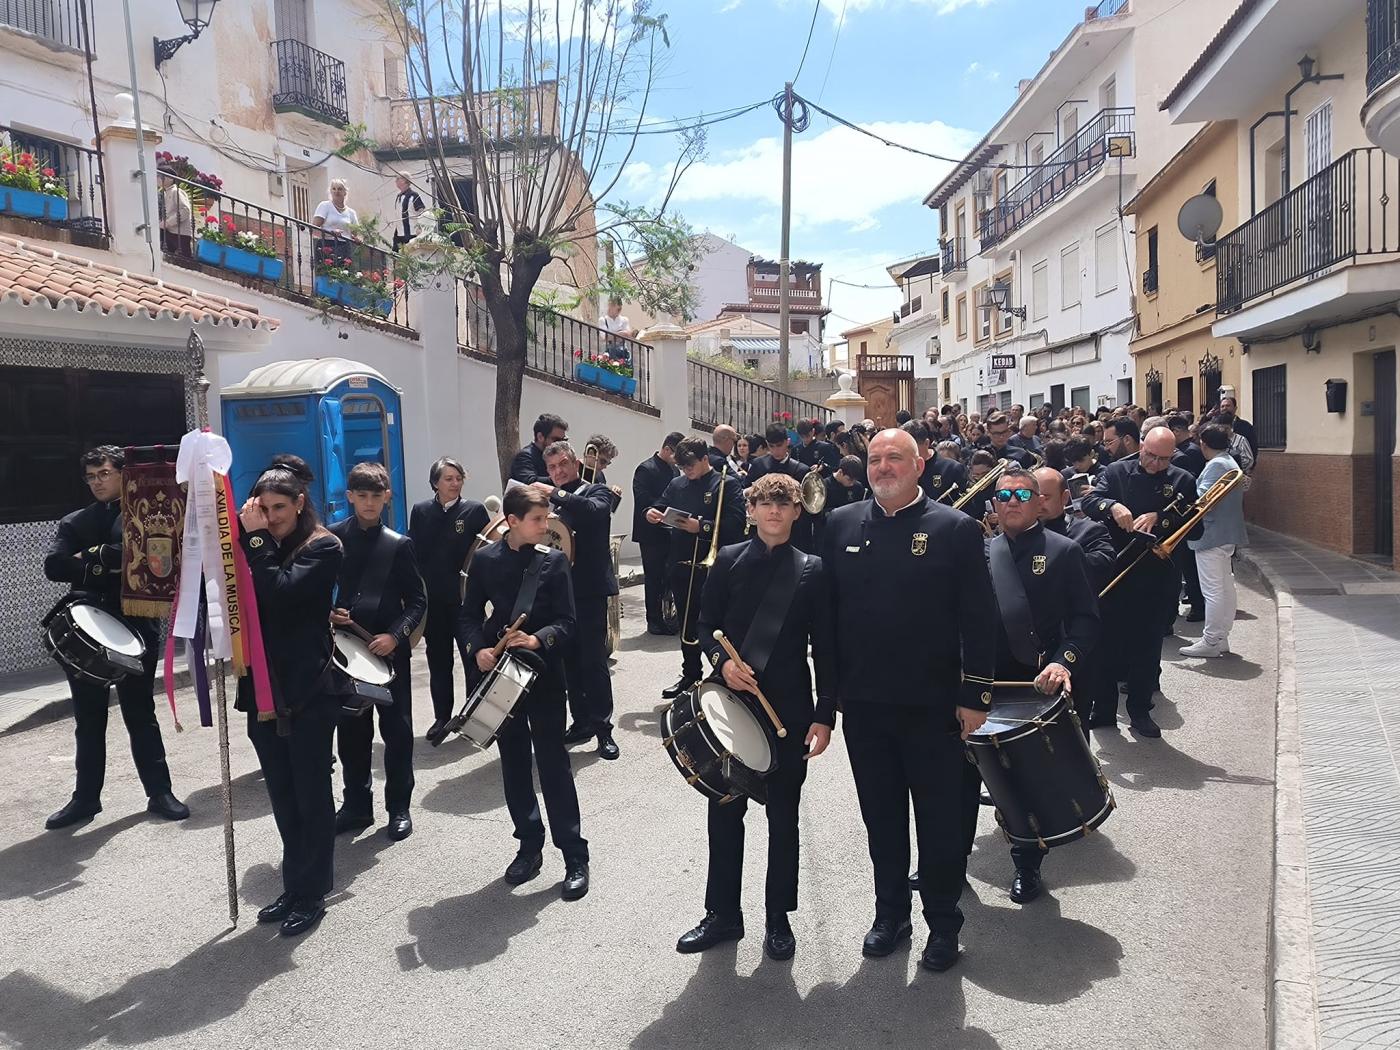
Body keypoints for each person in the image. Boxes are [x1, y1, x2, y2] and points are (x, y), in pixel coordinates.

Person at [821, 429, 997, 972]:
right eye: (874, 459)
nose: (882, 467)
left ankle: (943, 925)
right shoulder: (840, 523)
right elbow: (825, 623)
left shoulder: (956, 529)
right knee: (882, 819)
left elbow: (980, 619)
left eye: (894, 457)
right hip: (867, 708)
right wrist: (827, 703)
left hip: (935, 707)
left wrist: (976, 694)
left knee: (940, 822)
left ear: (920, 465)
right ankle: (890, 914)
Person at [677, 473, 837, 960]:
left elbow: (827, 647)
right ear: (750, 510)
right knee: (724, 811)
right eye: (763, 503)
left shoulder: (813, 569)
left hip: (788, 706)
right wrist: (721, 662)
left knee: (784, 817)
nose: (772, 511)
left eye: (782, 503)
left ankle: (778, 917)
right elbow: (704, 625)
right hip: (731, 703)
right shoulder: (726, 561)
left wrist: (825, 713)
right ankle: (723, 914)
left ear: (795, 511)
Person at [42, 446, 189, 831]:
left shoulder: (149, 516)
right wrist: (110, 558)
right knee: (88, 719)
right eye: (90, 476)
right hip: (87, 626)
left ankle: (160, 792)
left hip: (138, 624)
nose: (97, 482)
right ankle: (85, 800)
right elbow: (55, 566)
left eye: (104, 474)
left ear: (124, 474)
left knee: (140, 713)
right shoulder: (75, 521)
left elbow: (158, 556)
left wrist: (91, 558)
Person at [971, 467, 1098, 903]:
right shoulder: (981, 554)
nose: (1011, 501)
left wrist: (1065, 663)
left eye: (1021, 494)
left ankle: (1027, 864)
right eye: (1003, 494)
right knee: (961, 776)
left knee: (1023, 781)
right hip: (982, 682)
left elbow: (1084, 621)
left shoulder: (1063, 553)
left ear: (1039, 502)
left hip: (1033, 685)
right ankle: (948, 861)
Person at [458, 486, 590, 900]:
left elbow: (569, 622)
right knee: (513, 763)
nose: (546, 525)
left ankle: (574, 855)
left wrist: (538, 640)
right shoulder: (484, 560)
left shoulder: (553, 563)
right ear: (512, 521)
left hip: (544, 675)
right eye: (537, 519)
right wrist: (476, 647)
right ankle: (528, 847)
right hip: (501, 675)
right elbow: (467, 616)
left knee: (553, 764)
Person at [237, 456, 344, 937]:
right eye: (265, 509)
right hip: (261, 688)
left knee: (311, 795)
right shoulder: (252, 545)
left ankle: (313, 889)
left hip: (307, 691)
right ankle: (293, 881)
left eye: (281, 508)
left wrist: (256, 539)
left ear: (300, 504)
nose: (273, 517)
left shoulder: (324, 547)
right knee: (281, 793)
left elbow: (279, 593)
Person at [329, 463, 427, 841]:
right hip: (346, 648)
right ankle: (356, 805)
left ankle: (398, 806)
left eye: (376, 496)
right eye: (362, 496)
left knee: (397, 731)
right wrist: (329, 613)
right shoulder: (332, 538)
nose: (369, 503)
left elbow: (417, 603)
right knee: (351, 730)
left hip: (386, 651)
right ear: (350, 496)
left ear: (387, 497)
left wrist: (395, 636)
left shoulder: (399, 544)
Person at [1082, 427, 1198, 737]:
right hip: (1116, 568)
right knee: (1105, 643)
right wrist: (1113, 507)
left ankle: (1140, 710)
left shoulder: (1183, 480)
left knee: (1147, 647)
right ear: (1141, 446)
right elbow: (1090, 503)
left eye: (1163, 459)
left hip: (1157, 575)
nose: (1155, 463)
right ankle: (1103, 709)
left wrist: (1160, 518)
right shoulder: (1116, 471)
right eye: (1150, 455)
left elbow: (1194, 526)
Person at [537, 441, 621, 759]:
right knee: (568, 662)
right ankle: (582, 721)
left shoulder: (594, 490)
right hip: (557, 593)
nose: (558, 472)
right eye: (552, 468)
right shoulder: (548, 502)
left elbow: (595, 513)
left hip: (588, 591)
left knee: (593, 662)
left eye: (562, 464)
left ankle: (604, 730)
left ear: (574, 463)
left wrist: (553, 493)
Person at [647, 438, 747, 699]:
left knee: (717, 626)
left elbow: (736, 523)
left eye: (690, 465)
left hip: (715, 567)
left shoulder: (726, 483)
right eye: (682, 466)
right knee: (687, 625)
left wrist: (701, 526)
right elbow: (661, 504)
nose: (686, 471)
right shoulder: (677, 483)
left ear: (705, 459)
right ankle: (690, 674)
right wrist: (653, 513)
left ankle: (722, 674)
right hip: (682, 563)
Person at [409, 457, 490, 740]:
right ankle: (442, 717)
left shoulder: (475, 510)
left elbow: (486, 554)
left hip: (466, 602)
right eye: (448, 479)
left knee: (472, 657)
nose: (455, 483)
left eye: (458, 478)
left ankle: (473, 716)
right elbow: (414, 556)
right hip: (435, 602)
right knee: (439, 660)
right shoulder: (420, 511)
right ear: (435, 483)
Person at [1181, 424, 1246, 658]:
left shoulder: (1217, 464)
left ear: (1203, 444)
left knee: (1214, 590)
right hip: (1224, 533)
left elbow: (1202, 500)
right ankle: (1221, 637)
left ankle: (1211, 639)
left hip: (1211, 534)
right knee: (1225, 586)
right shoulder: (1228, 461)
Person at [632, 432, 683, 635]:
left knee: (669, 576)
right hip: (650, 533)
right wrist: (664, 508)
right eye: (677, 455)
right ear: (667, 449)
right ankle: (653, 619)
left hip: (671, 530)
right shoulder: (646, 468)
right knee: (653, 577)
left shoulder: (674, 471)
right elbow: (643, 498)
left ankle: (669, 616)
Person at [744, 423, 814, 550]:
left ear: (787, 442)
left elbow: (807, 509)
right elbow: (746, 494)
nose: (776, 450)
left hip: (794, 534)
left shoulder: (801, 470)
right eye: (771, 446)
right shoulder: (758, 465)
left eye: (779, 445)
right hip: (761, 531)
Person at [510, 413, 568, 484]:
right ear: (540, 437)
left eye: (564, 440)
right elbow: (530, 481)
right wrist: (561, 477)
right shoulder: (525, 456)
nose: (561, 444)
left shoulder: (556, 456)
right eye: (556, 440)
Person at [313, 178, 359, 266]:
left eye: (340, 189)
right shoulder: (325, 206)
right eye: (334, 189)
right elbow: (315, 228)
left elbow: (355, 234)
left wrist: (357, 239)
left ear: (345, 192)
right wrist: (331, 233)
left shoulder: (351, 213)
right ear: (330, 191)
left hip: (344, 246)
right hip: (327, 244)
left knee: (343, 274)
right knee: (326, 273)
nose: (336, 191)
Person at [157, 173, 193, 257]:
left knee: (185, 260)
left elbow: (185, 210)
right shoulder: (166, 193)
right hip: (171, 231)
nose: (157, 178)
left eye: (160, 176)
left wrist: (168, 223)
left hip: (180, 234)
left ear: (170, 178)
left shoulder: (176, 191)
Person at [390, 175, 426, 250]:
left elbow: (421, 212)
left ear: (404, 180)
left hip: (411, 233)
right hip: (399, 233)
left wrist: (420, 228)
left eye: (397, 179)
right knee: (396, 255)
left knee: (411, 255)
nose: (395, 181)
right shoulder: (398, 196)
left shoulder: (414, 195)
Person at [599, 298, 636, 362]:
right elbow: (605, 337)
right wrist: (621, 333)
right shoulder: (603, 320)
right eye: (617, 306)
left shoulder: (624, 319)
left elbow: (628, 335)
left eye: (620, 307)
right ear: (610, 306)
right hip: (609, 353)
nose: (619, 309)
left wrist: (613, 335)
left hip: (623, 352)